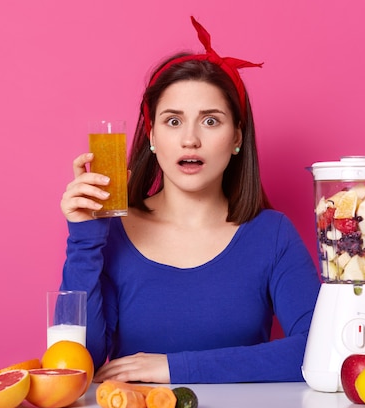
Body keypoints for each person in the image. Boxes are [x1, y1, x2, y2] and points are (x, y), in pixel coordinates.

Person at [60, 16, 320, 384]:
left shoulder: (272, 234)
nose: (190, 140)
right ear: (151, 137)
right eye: (173, 121)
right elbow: (75, 365)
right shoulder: (112, 232)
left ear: (237, 138)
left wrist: (174, 367)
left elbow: (320, 350)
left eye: (211, 121)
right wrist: (84, 239)